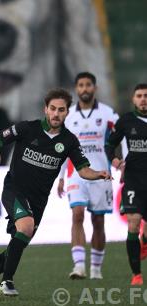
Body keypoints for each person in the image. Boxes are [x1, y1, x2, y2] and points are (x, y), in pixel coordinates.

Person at [0, 88, 111, 299]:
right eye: (52, 108)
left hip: (39, 199)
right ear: (46, 109)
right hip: (14, 188)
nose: (56, 114)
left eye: (61, 110)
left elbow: (82, 170)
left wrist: (98, 174)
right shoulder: (27, 128)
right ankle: (6, 282)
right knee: (24, 227)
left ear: (66, 113)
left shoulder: (69, 141)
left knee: (20, 240)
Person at [57, 72, 118, 280]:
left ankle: (96, 269)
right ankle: (79, 266)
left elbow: (123, 137)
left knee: (98, 220)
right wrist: (62, 176)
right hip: (76, 174)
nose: (84, 89)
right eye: (81, 85)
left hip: (101, 174)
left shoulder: (109, 114)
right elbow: (64, 148)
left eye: (88, 85)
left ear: (95, 88)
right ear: (76, 89)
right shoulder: (68, 116)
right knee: (77, 214)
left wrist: (120, 161)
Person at [105, 83, 147, 286]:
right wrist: (114, 160)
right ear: (133, 99)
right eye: (139, 95)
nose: (143, 99)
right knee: (133, 223)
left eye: (146, 95)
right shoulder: (126, 121)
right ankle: (136, 275)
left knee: (143, 230)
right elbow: (109, 144)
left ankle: (145, 241)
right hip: (133, 179)